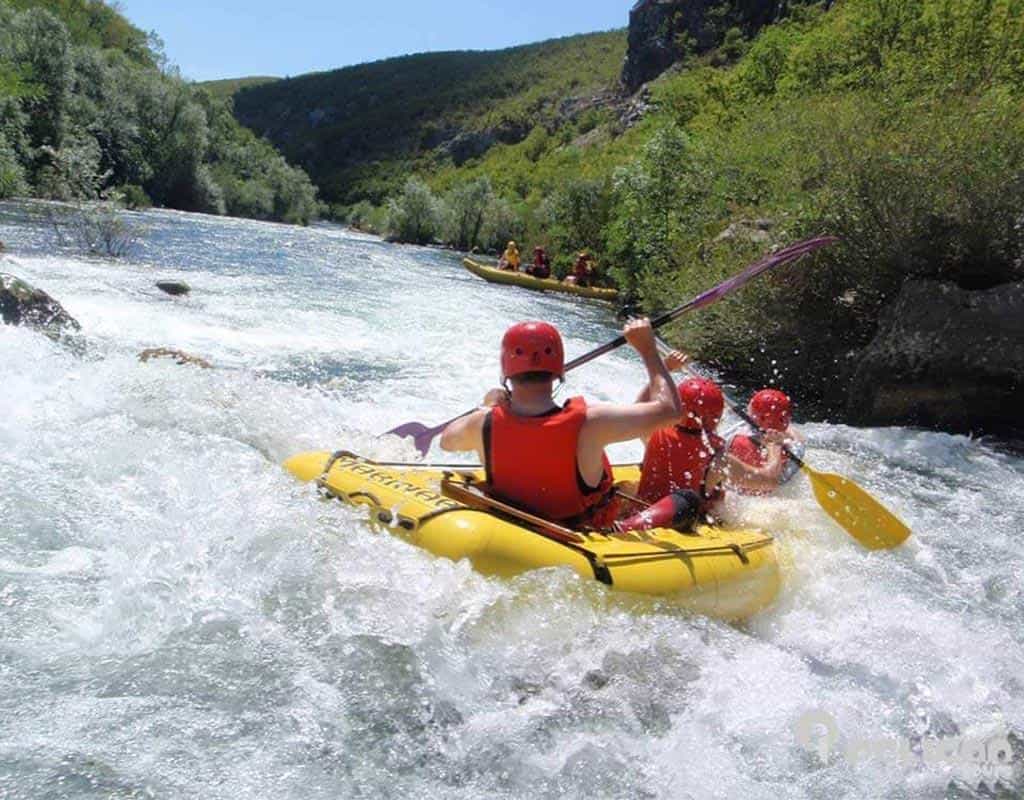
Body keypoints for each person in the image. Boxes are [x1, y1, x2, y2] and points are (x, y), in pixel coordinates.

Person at [440, 318, 682, 529]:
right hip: (579, 532)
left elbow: (446, 442)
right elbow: (670, 411)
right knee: (685, 501)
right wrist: (649, 350)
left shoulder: (481, 422)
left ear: (506, 370)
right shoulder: (592, 422)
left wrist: (488, 405)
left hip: (506, 519)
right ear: (558, 371)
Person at [726, 389, 805, 495]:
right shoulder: (792, 451)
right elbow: (799, 439)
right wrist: (780, 430)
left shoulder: (733, 440)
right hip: (774, 498)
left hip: (735, 496)